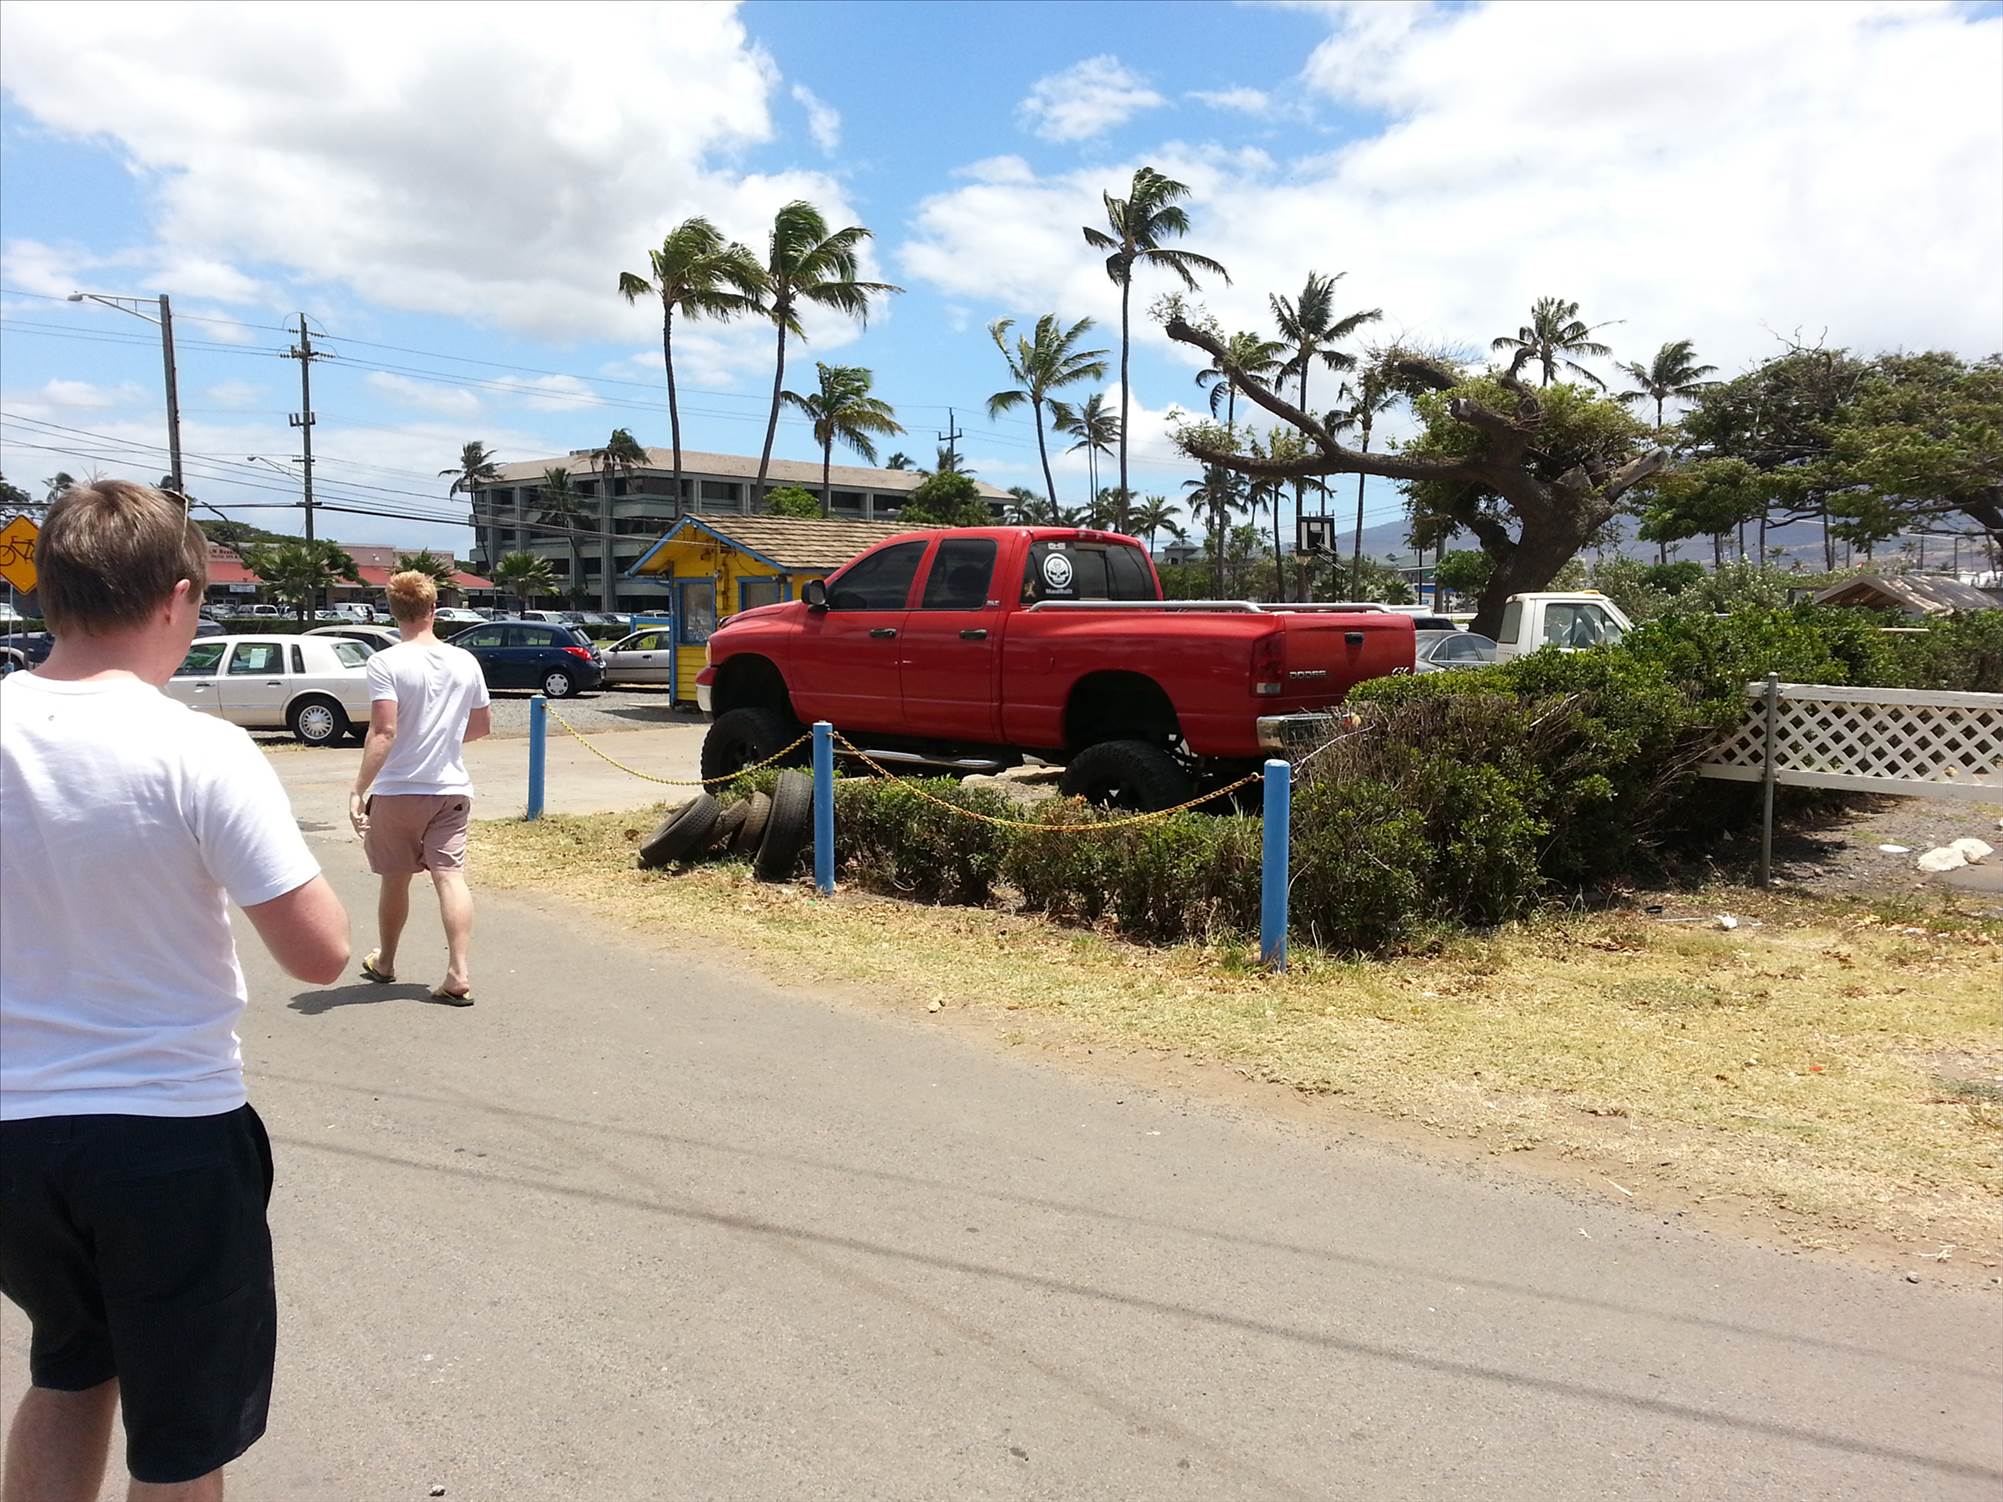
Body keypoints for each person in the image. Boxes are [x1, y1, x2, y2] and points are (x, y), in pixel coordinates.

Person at [0, 480, 349, 1502]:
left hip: (14, 1136)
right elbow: (320, 952)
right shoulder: (197, 746)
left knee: (71, 1363)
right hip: (167, 1131)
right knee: (183, 1434)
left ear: (45, 590)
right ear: (180, 596)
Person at [349, 570, 491, 1004]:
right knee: (450, 877)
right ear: (433, 609)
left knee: (395, 879)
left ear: (393, 612)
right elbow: (481, 726)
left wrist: (358, 788)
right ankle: (458, 973)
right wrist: (442, 739)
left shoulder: (385, 662)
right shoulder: (465, 661)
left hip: (397, 789)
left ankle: (386, 961)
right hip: (451, 788)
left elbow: (384, 730)